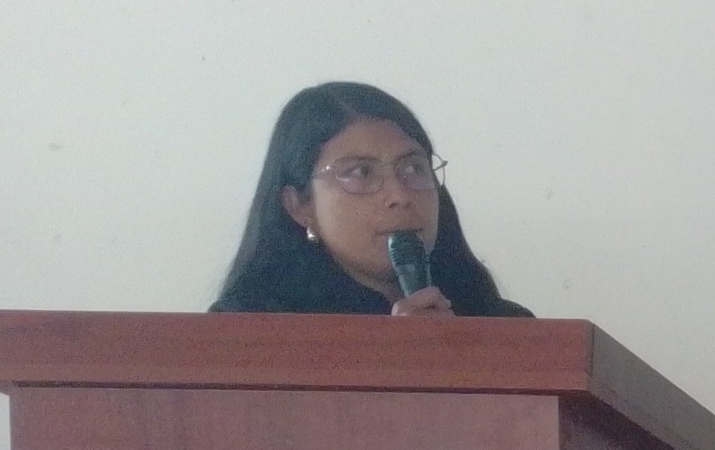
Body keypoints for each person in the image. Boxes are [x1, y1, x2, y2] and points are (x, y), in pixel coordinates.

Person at [213, 82, 528, 318]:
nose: (399, 196)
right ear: (300, 206)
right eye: (361, 172)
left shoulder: (505, 327)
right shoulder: (246, 331)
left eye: (413, 168)